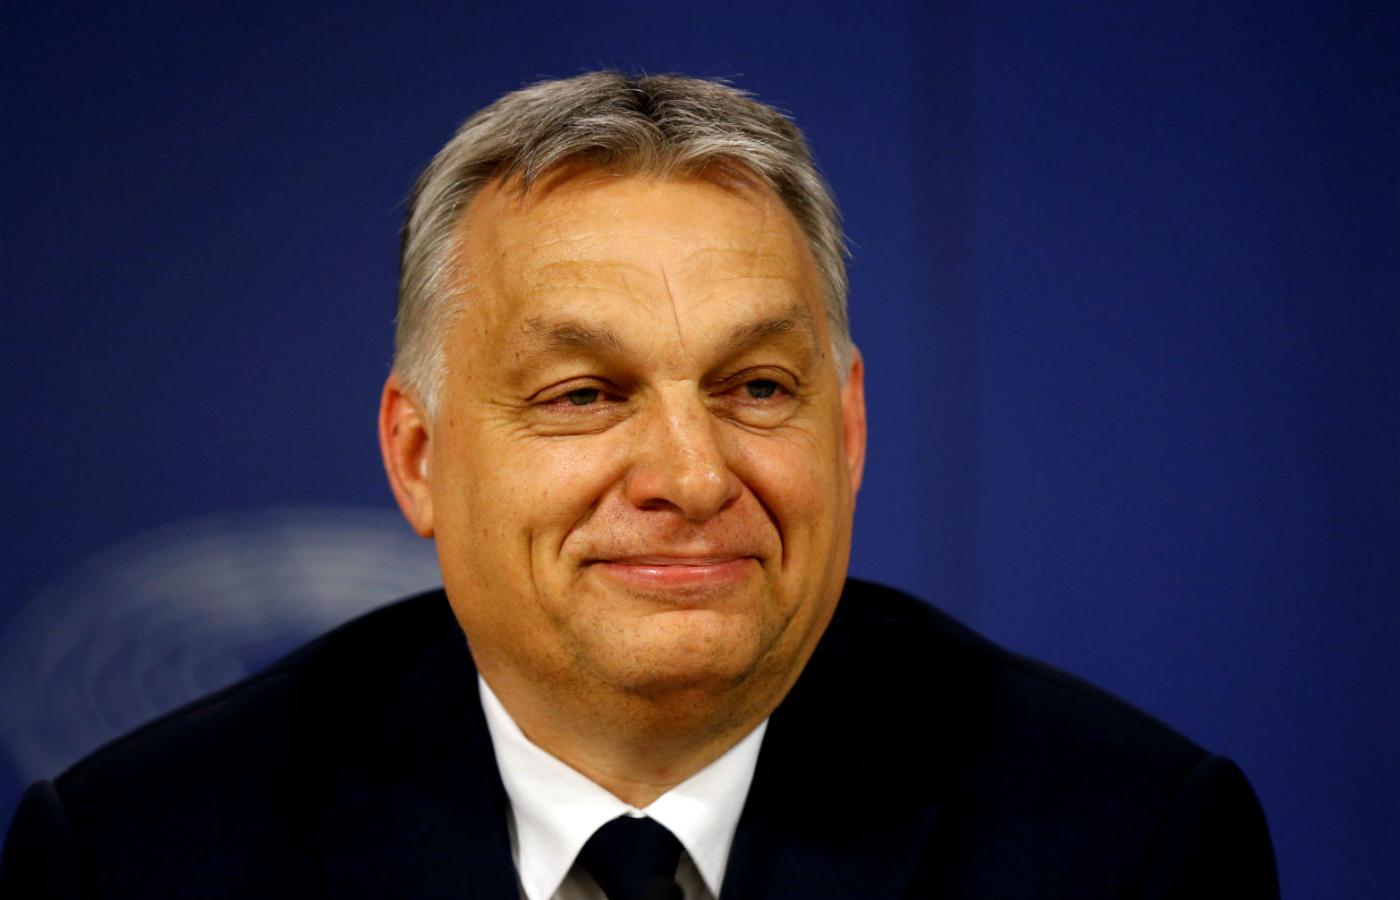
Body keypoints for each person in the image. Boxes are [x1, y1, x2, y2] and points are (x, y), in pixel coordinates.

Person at [0, 72, 1278, 899]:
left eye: (756, 387)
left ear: (847, 431)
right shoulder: (138, 856)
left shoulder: (1127, 845)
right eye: (583, 394)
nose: (690, 474)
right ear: (419, 457)